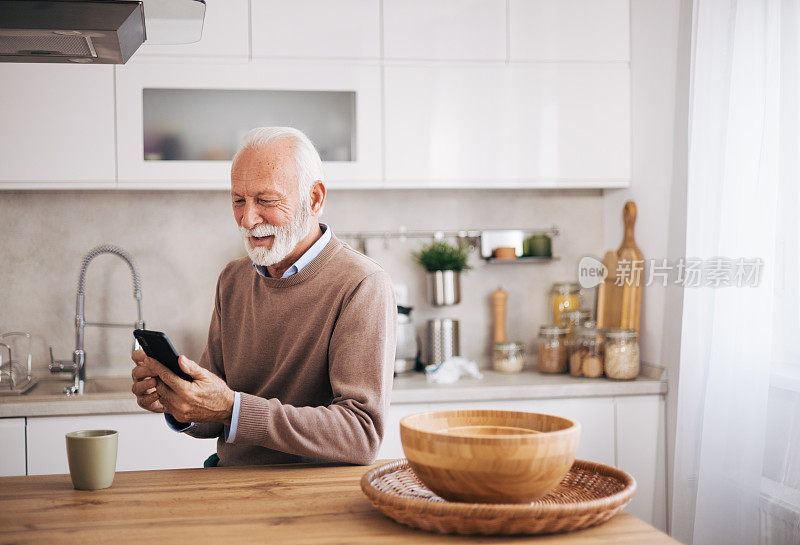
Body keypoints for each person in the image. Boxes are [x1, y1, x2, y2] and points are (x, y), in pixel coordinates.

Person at [130, 127, 397, 466]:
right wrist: (179, 402)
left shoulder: (362, 284)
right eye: (238, 200)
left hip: (312, 497)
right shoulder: (233, 279)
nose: (248, 219)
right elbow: (216, 411)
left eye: (266, 201)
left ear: (314, 199)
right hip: (236, 484)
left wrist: (232, 408)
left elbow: (360, 435)